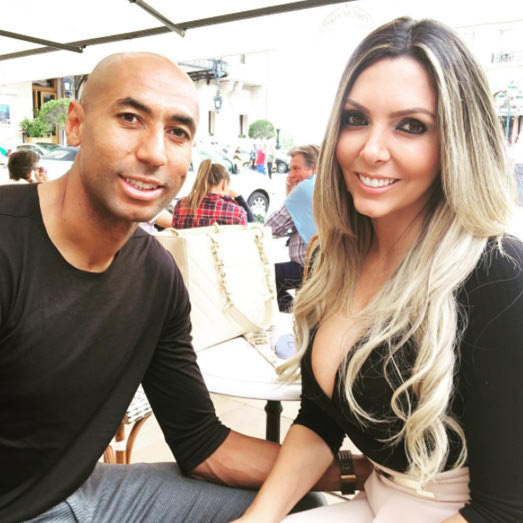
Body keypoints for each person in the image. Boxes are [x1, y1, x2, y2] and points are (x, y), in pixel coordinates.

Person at [0, 52, 335, 523]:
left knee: (299, 507)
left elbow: (202, 444)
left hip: (76, 493)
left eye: (177, 132)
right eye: (130, 118)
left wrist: (359, 472)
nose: (154, 153)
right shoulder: (8, 240)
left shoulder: (156, 275)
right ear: (75, 124)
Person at [237, 17, 522, 523]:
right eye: (356, 119)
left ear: (457, 143)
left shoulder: (500, 276)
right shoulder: (331, 256)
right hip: (374, 500)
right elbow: (319, 421)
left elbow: (504, 509)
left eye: (411, 126)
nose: (370, 150)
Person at [265, 145, 319, 311]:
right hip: (329, 266)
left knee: (263, 276)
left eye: (296, 168)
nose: (291, 175)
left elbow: (271, 228)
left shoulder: (305, 189)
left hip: (308, 268)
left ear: (314, 169)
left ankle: (297, 310)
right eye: (290, 169)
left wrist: (290, 194)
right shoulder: (326, 185)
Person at [171, 158, 253, 228]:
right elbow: (250, 222)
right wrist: (238, 197)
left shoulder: (181, 205)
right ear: (224, 184)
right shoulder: (237, 213)